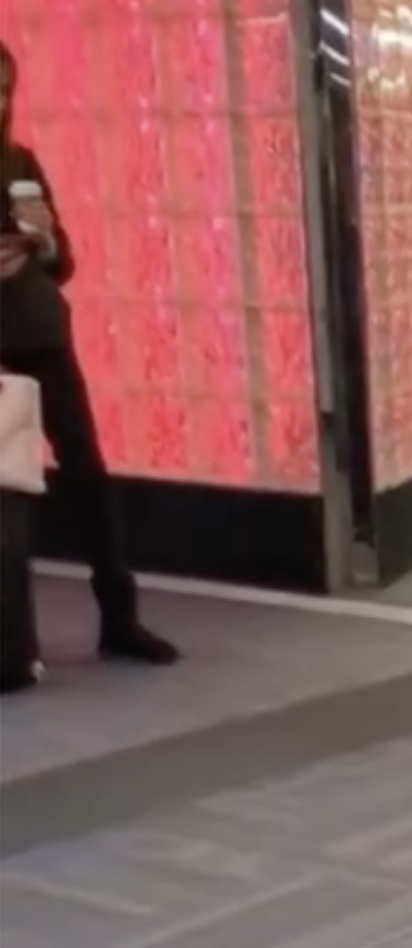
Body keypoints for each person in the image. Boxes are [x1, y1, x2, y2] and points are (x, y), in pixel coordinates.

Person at [0, 41, 178, 685]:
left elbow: (66, 262)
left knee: (89, 478)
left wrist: (42, 239)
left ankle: (119, 618)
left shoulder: (20, 161)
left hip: (44, 337)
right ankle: (11, 644)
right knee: (6, 503)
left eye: (4, 91)